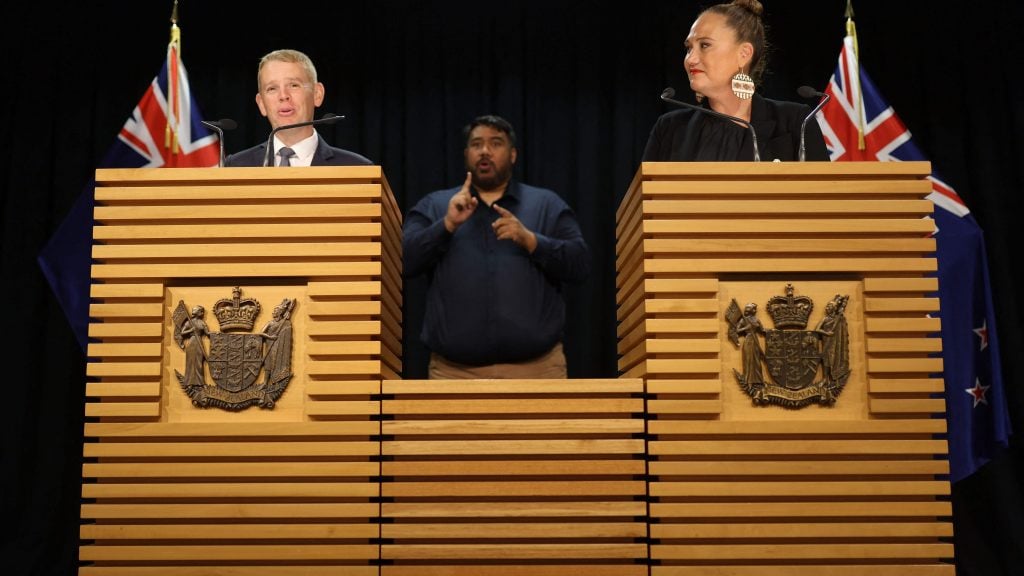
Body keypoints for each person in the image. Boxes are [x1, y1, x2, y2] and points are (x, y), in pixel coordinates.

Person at [403, 115, 590, 379]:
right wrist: (446, 225)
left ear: (513, 155)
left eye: (496, 143)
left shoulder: (546, 204)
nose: (485, 151)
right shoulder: (435, 205)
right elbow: (402, 262)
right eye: (476, 144)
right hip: (454, 374)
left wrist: (531, 240)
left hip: (538, 371)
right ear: (466, 155)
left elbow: (580, 265)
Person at [642, 0, 829, 162]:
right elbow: (647, 193)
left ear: (744, 54)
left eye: (705, 45)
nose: (690, 59)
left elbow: (825, 193)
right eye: (689, 48)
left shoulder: (797, 122)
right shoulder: (669, 129)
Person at [225, 49, 372, 167]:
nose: (283, 95)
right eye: (272, 88)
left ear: (317, 94)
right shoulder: (235, 166)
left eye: (294, 85)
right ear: (261, 103)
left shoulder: (356, 168)